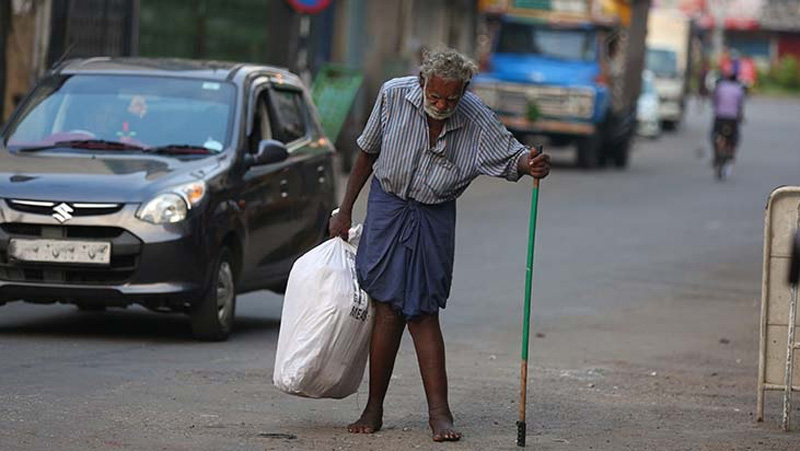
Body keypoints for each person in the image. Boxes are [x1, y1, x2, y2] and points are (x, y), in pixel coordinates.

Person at [328, 47, 550, 442]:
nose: (443, 104)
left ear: (464, 90)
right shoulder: (394, 95)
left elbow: (510, 155)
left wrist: (528, 164)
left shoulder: (475, 115)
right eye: (435, 96)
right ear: (422, 83)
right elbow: (366, 151)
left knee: (423, 311)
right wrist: (344, 210)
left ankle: (439, 414)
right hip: (389, 205)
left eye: (452, 97)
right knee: (388, 309)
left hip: (433, 215)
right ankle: (373, 407)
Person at [711, 69, 746, 167]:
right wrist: (741, 116)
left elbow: (714, 102)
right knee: (735, 137)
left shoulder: (720, 87)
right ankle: (731, 152)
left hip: (720, 117)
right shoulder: (738, 89)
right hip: (732, 118)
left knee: (714, 135)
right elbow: (740, 106)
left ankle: (716, 155)